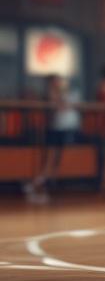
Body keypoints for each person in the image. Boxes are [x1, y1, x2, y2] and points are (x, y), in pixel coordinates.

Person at [23, 74, 81, 204]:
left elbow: (68, 105)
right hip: (53, 130)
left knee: (55, 162)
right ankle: (34, 186)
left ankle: (41, 187)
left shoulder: (63, 93)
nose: (59, 83)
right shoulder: (50, 94)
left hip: (61, 130)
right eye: (56, 81)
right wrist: (61, 101)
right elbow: (58, 107)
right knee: (49, 160)